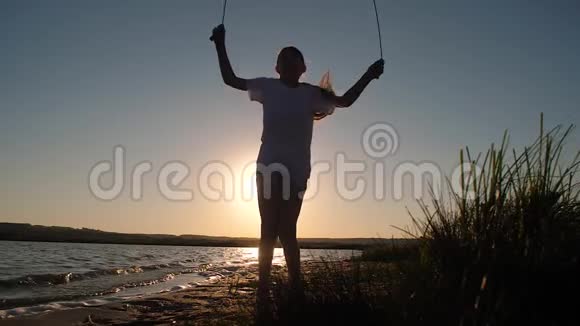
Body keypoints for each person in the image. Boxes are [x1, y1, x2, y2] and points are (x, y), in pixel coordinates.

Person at [210, 24, 384, 303]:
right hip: (267, 166)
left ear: (303, 67)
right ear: (277, 67)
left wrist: (369, 75)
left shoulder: (312, 93)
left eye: (295, 56)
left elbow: (346, 101)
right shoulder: (266, 85)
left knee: (287, 230)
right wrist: (219, 44)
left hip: (296, 169)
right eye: (284, 57)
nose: (290, 59)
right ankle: (263, 290)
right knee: (268, 228)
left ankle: (295, 287)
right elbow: (230, 79)